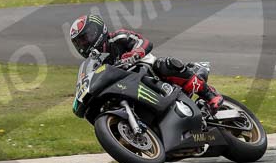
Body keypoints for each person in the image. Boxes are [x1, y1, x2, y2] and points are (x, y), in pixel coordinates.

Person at [68, 14, 224, 113]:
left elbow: (144, 42)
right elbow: (89, 77)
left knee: (166, 64)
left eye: (85, 38)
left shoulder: (118, 37)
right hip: (126, 85)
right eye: (79, 42)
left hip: (147, 70)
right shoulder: (95, 61)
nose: (84, 44)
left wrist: (134, 54)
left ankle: (211, 95)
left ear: (97, 30)